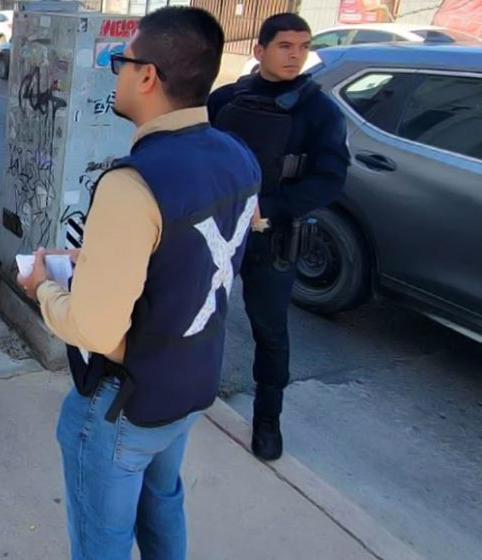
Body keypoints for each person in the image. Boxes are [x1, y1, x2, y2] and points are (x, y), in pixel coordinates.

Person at [18, 7, 261, 559]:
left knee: (101, 544)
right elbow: (194, 255)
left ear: (147, 75)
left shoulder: (133, 184)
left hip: (123, 403)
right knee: (164, 508)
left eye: (119, 62)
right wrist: (101, 256)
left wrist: (41, 288)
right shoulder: (238, 155)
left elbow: (94, 327)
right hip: (189, 382)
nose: (116, 71)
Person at [208, 13, 349, 462]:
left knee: (269, 330)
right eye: (285, 45)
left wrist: (272, 206)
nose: (295, 55)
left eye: (302, 46)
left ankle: (268, 418)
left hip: (273, 236)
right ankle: (191, 389)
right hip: (217, 229)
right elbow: (199, 153)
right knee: (199, 314)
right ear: (259, 50)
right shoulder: (225, 99)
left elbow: (330, 179)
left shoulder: (319, 110)